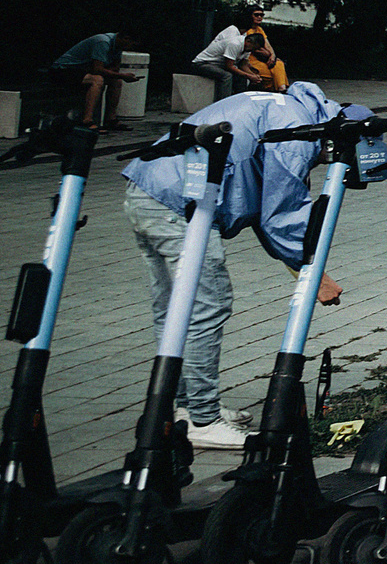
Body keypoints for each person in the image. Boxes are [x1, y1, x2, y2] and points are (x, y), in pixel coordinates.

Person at [121, 83, 349, 447]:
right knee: (205, 306)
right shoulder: (298, 132)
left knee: (175, 309)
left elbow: (266, 212)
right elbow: (282, 213)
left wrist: (309, 272)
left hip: (150, 190)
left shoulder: (287, 108)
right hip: (181, 204)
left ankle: (181, 407)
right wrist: (313, 271)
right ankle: (202, 420)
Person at [49, 33, 140, 130]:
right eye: (131, 45)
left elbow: (115, 68)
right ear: (126, 38)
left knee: (116, 81)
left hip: (83, 70)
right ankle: (87, 120)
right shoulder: (103, 42)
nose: (130, 48)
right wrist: (122, 75)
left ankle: (111, 119)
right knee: (97, 80)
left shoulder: (118, 46)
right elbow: (98, 69)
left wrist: (119, 76)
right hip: (64, 69)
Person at [191, 5, 264, 99]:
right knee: (227, 76)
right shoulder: (235, 41)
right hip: (204, 63)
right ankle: (223, 102)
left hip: (218, 64)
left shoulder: (248, 44)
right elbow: (229, 66)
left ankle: (239, 101)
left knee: (242, 77)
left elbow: (243, 64)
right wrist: (248, 75)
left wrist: (252, 76)